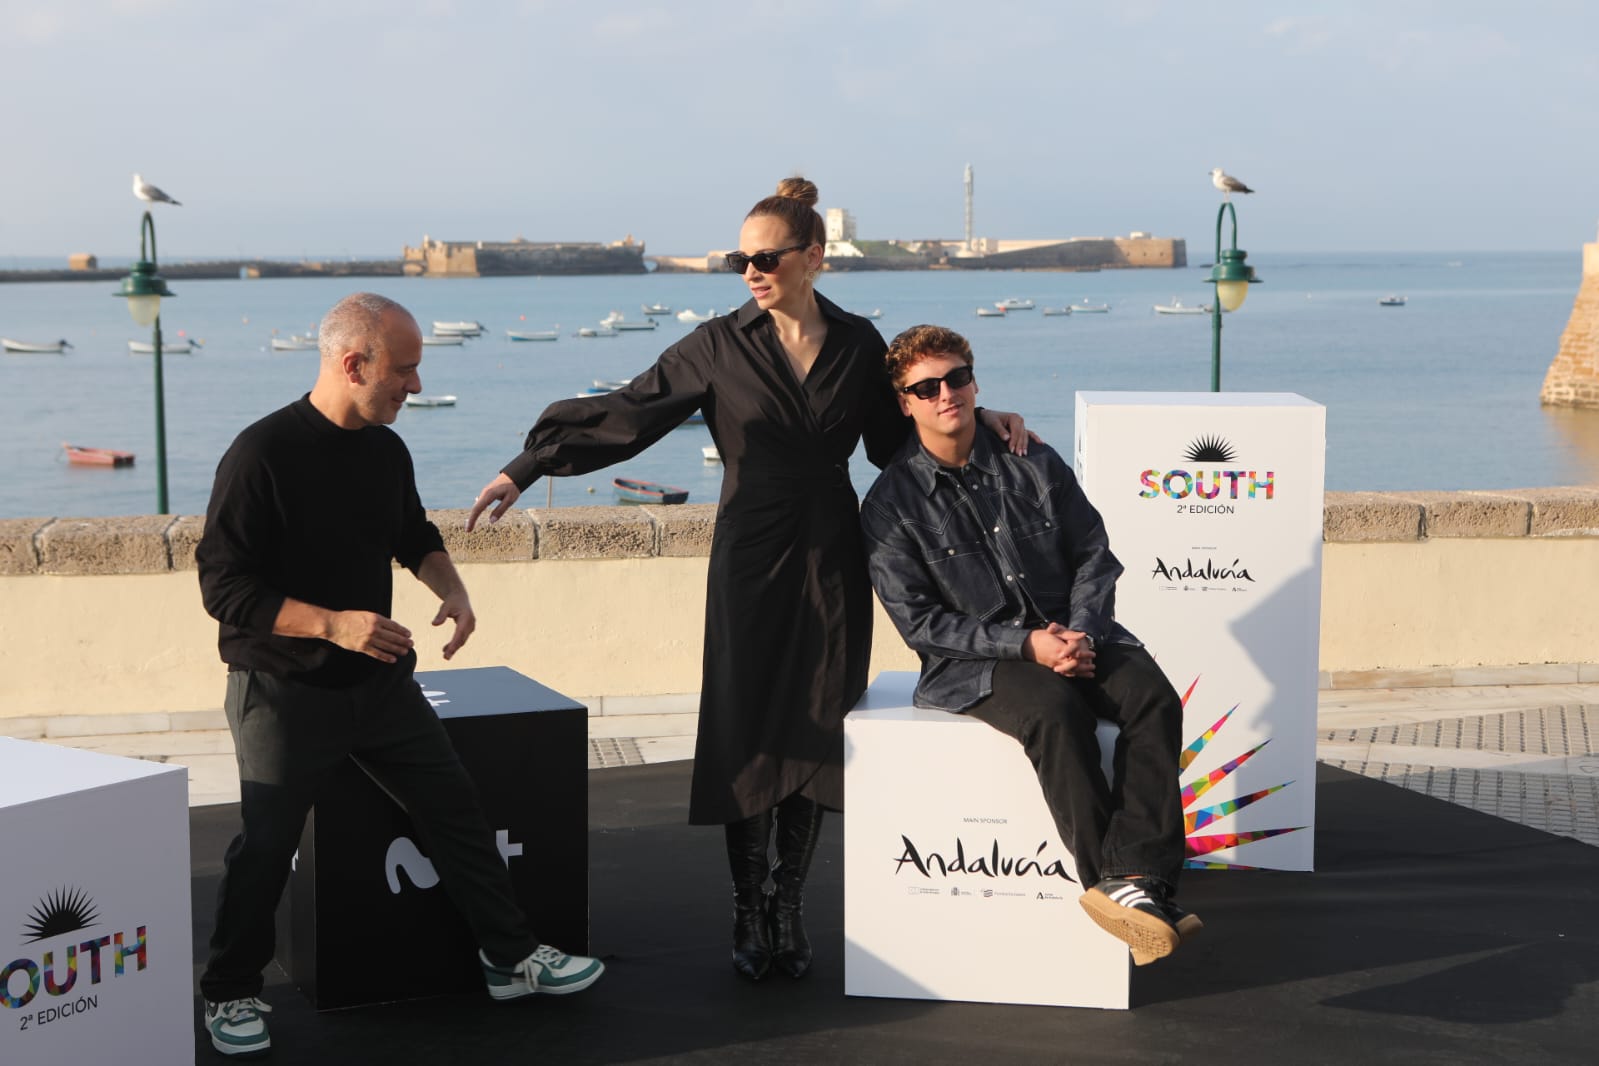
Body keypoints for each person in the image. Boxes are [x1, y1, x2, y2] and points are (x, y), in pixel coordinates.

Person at [467, 178, 1030, 982]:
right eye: (739, 259)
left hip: (833, 549)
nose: (749, 272)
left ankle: (788, 904)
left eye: (764, 258)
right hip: (749, 555)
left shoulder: (858, 344)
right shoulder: (717, 345)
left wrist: (983, 416)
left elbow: (895, 442)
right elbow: (630, 413)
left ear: (812, 258)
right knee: (748, 723)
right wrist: (524, 468)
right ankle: (745, 906)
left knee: (817, 720)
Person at [195, 293, 602, 1057]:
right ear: (354, 365)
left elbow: (411, 533)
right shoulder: (261, 455)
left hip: (379, 685)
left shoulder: (385, 450)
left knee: (456, 812)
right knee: (265, 843)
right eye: (404, 371)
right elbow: (224, 590)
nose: (414, 386)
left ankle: (510, 959)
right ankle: (229, 991)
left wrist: (449, 585)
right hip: (282, 690)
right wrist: (333, 623)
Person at [859, 324, 1201, 967]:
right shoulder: (888, 506)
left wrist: (1080, 632)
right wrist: (1028, 647)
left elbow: (1095, 554)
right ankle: (1116, 882)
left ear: (974, 380)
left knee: (1153, 698)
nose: (946, 395)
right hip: (980, 663)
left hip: (1077, 630)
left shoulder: (1032, 459)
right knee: (1054, 709)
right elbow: (920, 623)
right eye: (926, 387)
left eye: (956, 377)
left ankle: (1139, 884)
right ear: (905, 402)